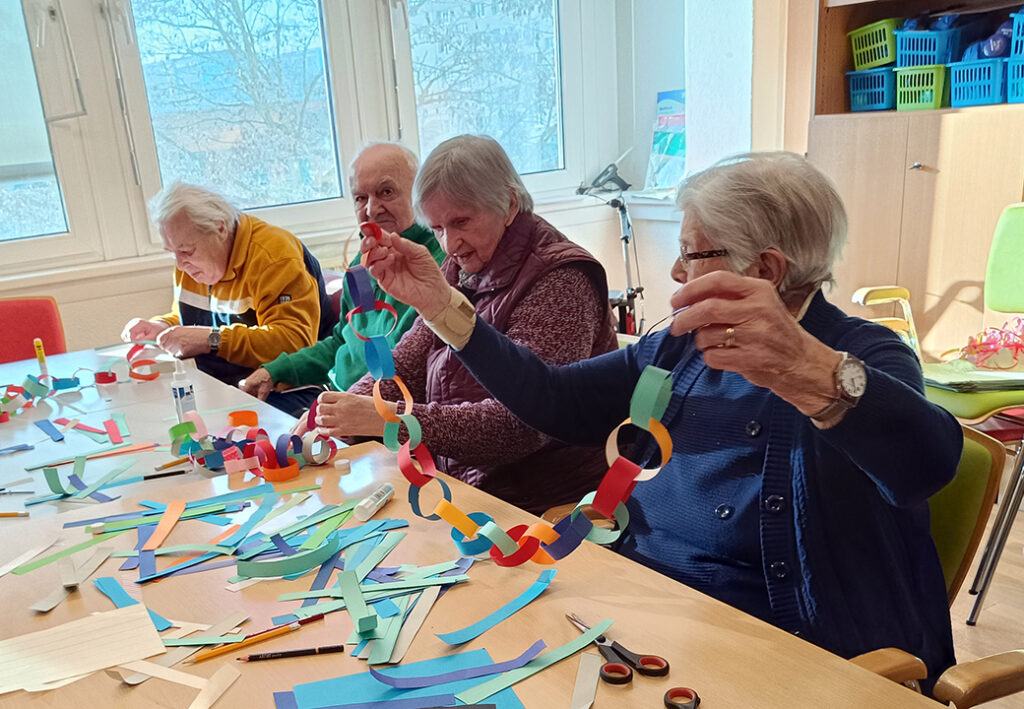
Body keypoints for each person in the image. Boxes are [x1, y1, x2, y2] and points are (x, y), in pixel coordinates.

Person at [358, 151, 962, 688]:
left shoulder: (865, 355)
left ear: (767, 270)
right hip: (645, 612)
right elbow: (551, 399)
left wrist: (814, 373)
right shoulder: (679, 347)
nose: (675, 274)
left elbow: (926, 464)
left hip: (771, 649)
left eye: (690, 253)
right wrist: (440, 304)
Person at [312, 134, 619, 515]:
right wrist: (337, 411)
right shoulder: (461, 266)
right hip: (467, 486)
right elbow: (408, 358)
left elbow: (521, 427)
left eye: (461, 222)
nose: (450, 243)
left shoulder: (560, 279)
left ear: (508, 205)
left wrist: (387, 419)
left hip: (544, 501)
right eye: (438, 227)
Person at [238, 143, 444, 417]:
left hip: (386, 416)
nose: (371, 209)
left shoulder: (440, 264)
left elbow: (412, 367)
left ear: (420, 194)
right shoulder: (361, 267)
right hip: (338, 400)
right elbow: (341, 341)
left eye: (386, 192)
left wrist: (349, 411)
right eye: (360, 198)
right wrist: (275, 370)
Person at [121, 182, 335, 389]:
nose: (179, 264)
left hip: (282, 387)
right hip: (218, 382)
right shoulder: (190, 261)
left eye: (186, 251)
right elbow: (192, 320)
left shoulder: (274, 257)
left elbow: (294, 344)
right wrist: (163, 327)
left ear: (220, 228)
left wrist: (212, 340)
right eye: (172, 253)